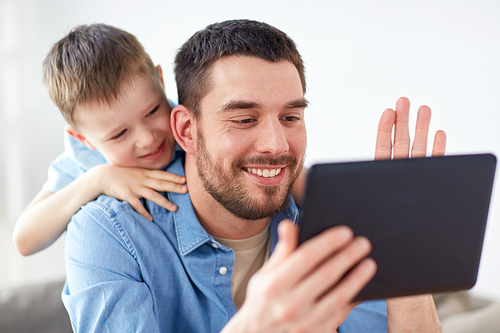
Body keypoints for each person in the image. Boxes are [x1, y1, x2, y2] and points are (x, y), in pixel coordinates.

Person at [62, 19, 444, 332]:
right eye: (244, 120)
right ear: (186, 131)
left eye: (291, 117)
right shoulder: (108, 233)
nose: (276, 144)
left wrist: (406, 264)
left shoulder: (334, 225)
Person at [12, 24, 189, 256]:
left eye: (153, 111)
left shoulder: (189, 120)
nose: (147, 139)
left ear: (160, 80)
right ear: (85, 140)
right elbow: (24, 240)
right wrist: (99, 179)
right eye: (119, 134)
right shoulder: (86, 160)